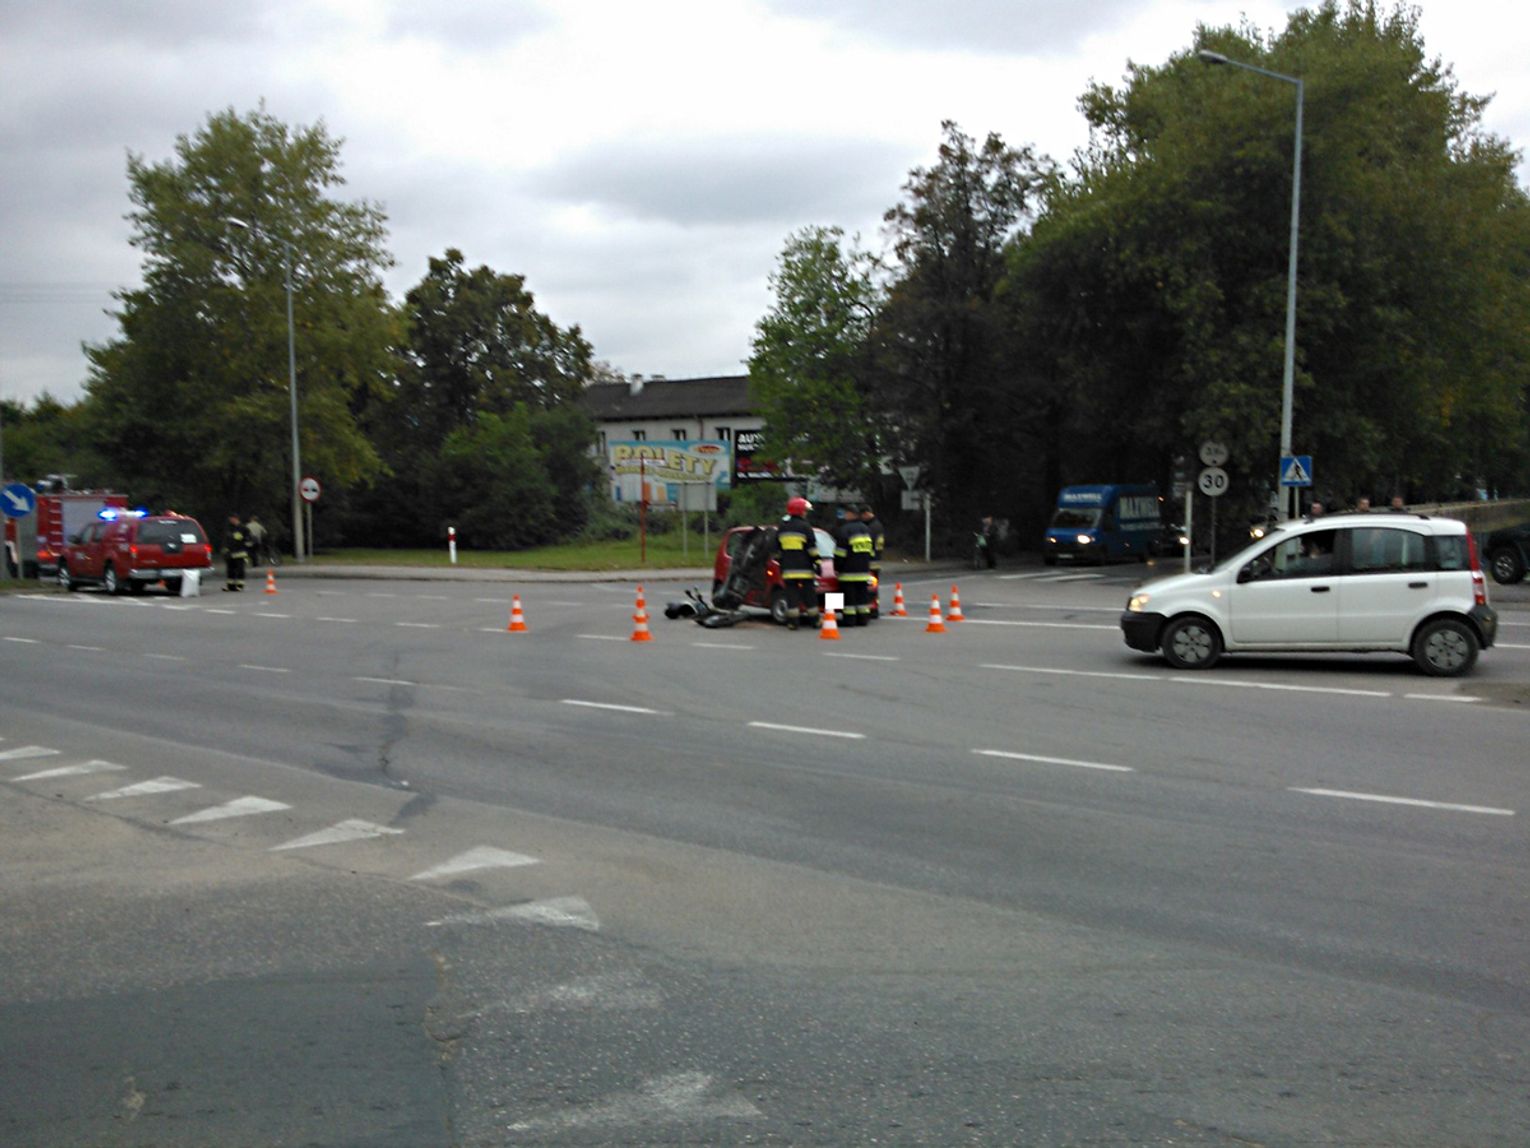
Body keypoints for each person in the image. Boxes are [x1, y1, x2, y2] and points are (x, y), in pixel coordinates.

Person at [774, 496, 818, 630]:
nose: (806, 513)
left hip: (788, 570)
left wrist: (782, 563)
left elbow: (776, 550)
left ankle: (793, 622)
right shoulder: (805, 527)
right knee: (809, 595)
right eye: (805, 511)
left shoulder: (782, 527)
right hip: (805, 569)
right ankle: (815, 621)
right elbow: (812, 549)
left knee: (791, 596)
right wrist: (818, 563)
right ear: (800, 511)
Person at [834, 507, 875, 626]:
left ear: (851, 514)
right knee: (862, 598)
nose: (845, 516)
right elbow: (871, 552)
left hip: (848, 572)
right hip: (864, 571)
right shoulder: (866, 529)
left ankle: (849, 620)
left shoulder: (845, 530)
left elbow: (840, 553)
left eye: (846, 513)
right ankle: (863, 619)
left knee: (849, 599)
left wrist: (837, 568)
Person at [859, 504, 884, 618]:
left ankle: (872, 609)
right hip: (876, 560)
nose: (862, 518)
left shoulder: (871, 528)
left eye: (862, 516)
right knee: (873, 587)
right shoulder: (877, 525)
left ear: (866, 514)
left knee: (870, 587)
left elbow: (867, 544)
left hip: (871, 561)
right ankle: (874, 608)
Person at [222, 514, 250, 592]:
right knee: (230, 570)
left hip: (240, 552)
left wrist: (242, 538)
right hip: (231, 552)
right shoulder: (230, 528)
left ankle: (240, 586)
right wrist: (225, 549)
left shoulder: (243, 528)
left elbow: (248, 539)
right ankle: (230, 586)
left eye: (231, 519)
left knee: (240, 570)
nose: (230, 521)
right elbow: (227, 539)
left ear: (236, 518)